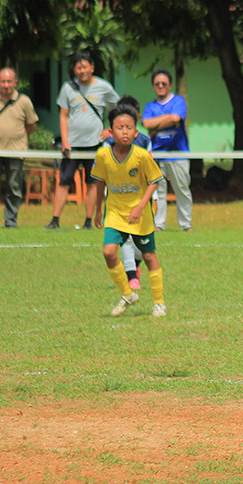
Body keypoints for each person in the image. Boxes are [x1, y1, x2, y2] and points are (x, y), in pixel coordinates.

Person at [91, 104, 166, 318]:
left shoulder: (142, 156)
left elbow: (154, 182)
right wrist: (98, 210)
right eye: (119, 127)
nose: (125, 131)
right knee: (108, 252)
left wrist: (141, 206)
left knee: (149, 256)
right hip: (114, 212)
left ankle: (159, 302)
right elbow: (98, 182)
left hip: (140, 215)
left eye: (129, 127)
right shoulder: (103, 155)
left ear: (136, 131)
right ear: (110, 131)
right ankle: (127, 294)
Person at [46, 51, 120, 230]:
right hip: (71, 145)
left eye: (85, 67)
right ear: (74, 70)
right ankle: (55, 220)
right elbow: (63, 115)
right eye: (78, 67)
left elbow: (118, 109)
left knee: (92, 183)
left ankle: (89, 220)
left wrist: (110, 129)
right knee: (64, 182)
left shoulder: (104, 87)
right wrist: (64, 141)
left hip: (94, 144)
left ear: (92, 68)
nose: (82, 70)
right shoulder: (68, 88)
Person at [0, 67, 38, 228]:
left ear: (15, 82)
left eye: (9, 81)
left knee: (14, 188)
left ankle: (11, 222)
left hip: (16, 152)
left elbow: (31, 125)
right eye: (3, 81)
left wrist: (20, 139)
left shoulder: (24, 101)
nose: (6, 85)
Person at [103, 96, 152, 290]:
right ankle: (132, 276)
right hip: (117, 199)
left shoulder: (144, 141)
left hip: (140, 197)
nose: (124, 127)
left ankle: (136, 265)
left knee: (143, 242)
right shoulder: (109, 143)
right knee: (124, 237)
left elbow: (150, 170)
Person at [142, 69, 193, 232]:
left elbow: (177, 118)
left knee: (182, 190)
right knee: (159, 192)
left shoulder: (178, 101)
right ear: (153, 86)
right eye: (157, 84)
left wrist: (157, 125)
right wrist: (168, 120)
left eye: (164, 83)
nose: (161, 86)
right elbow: (146, 124)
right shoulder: (150, 106)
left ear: (170, 84)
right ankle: (159, 224)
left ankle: (185, 225)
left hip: (178, 154)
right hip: (157, 155)